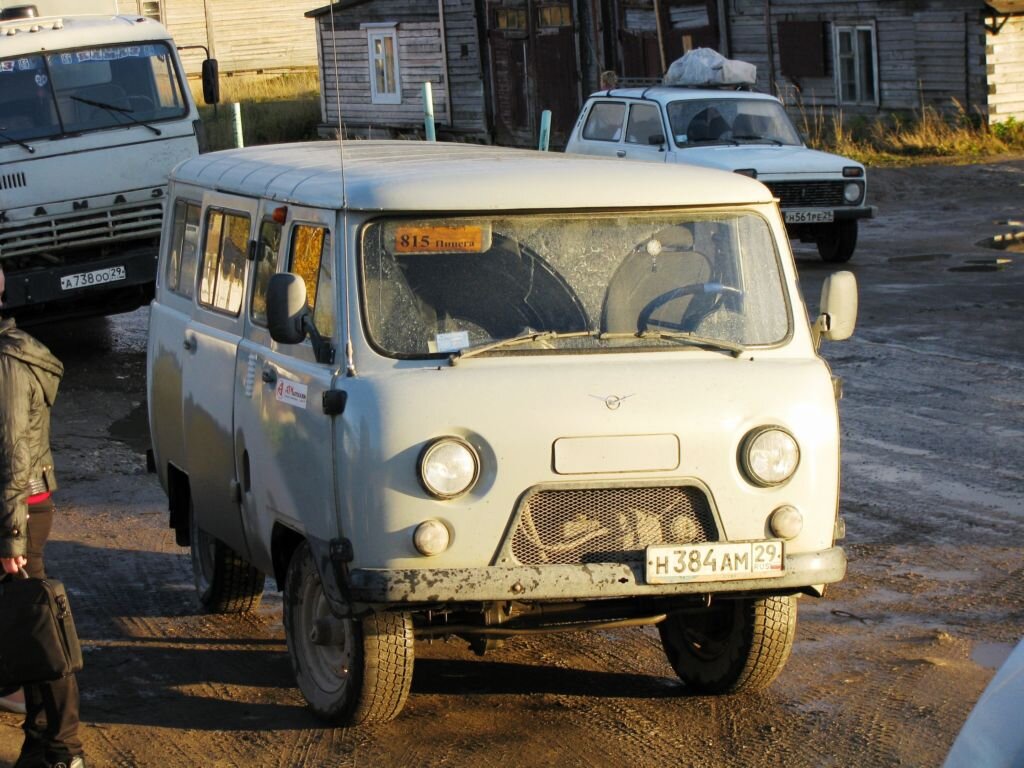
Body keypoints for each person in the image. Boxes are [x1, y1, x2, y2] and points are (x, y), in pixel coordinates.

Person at [0, 264, 85, 768]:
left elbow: (12, 454)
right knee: (25, 630)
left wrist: (9, 539)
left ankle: (61, 749)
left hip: (19, 511)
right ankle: (44, 743)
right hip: (18, 508)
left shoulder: (7, 363)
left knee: (38, 631)